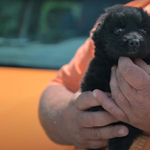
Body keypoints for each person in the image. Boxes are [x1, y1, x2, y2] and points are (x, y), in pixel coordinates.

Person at [38, 0, 150, 150]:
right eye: (118, 30)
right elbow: (58, 86)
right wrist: (68, 120)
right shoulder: (133, 10)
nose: (135, 40)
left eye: (143, 31)